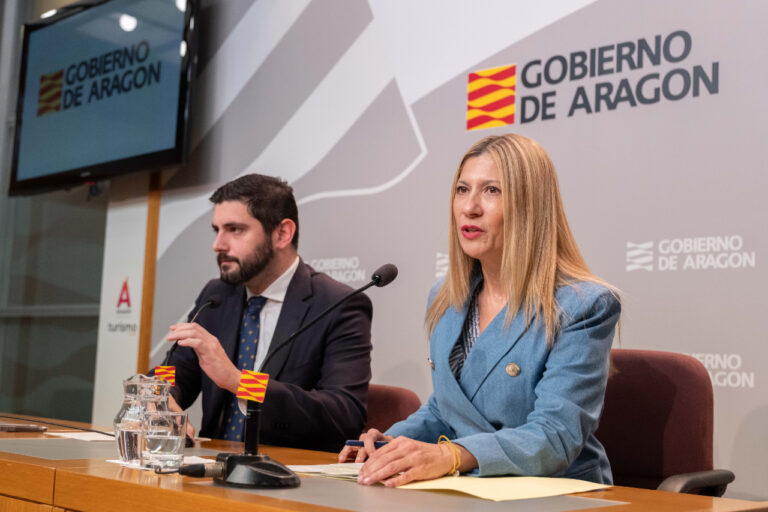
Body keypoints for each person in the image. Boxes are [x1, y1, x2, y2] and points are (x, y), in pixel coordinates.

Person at [339, 134, 620, 486]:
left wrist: (449, 455)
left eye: (492, 191)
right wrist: (390, 444)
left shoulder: (583, 305)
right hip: (472, 487)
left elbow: (555, 436)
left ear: (530, 205)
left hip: (559, 492)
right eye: (462, 190)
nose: (469, 207)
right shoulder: (446, 296)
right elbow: (448, 408)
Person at [165, 174, 372, 452]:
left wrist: (241, 383)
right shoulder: (217, 295)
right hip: (210, 466)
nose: (218, 244)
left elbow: (343, 414)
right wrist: (160, 396)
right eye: (217, 230)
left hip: (287, 476)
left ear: (282, 234)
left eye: (235, 229)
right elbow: (176, 368)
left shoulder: (337, 304)